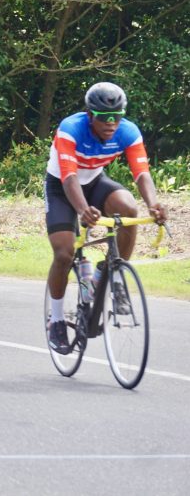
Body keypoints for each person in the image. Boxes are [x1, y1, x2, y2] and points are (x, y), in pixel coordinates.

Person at [45, 82, 167, 354]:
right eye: (104, 118)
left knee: (129, 209)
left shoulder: (128, 132)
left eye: (117, 117)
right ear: (90, 115)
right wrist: (82, 210)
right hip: (62, 187)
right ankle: (55, 320)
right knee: (64, 254)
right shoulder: (70, 128)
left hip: (95, 180)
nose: (111, 123)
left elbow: (141, 173)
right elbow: (69, 177)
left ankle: (113, 271)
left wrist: (154, 204)